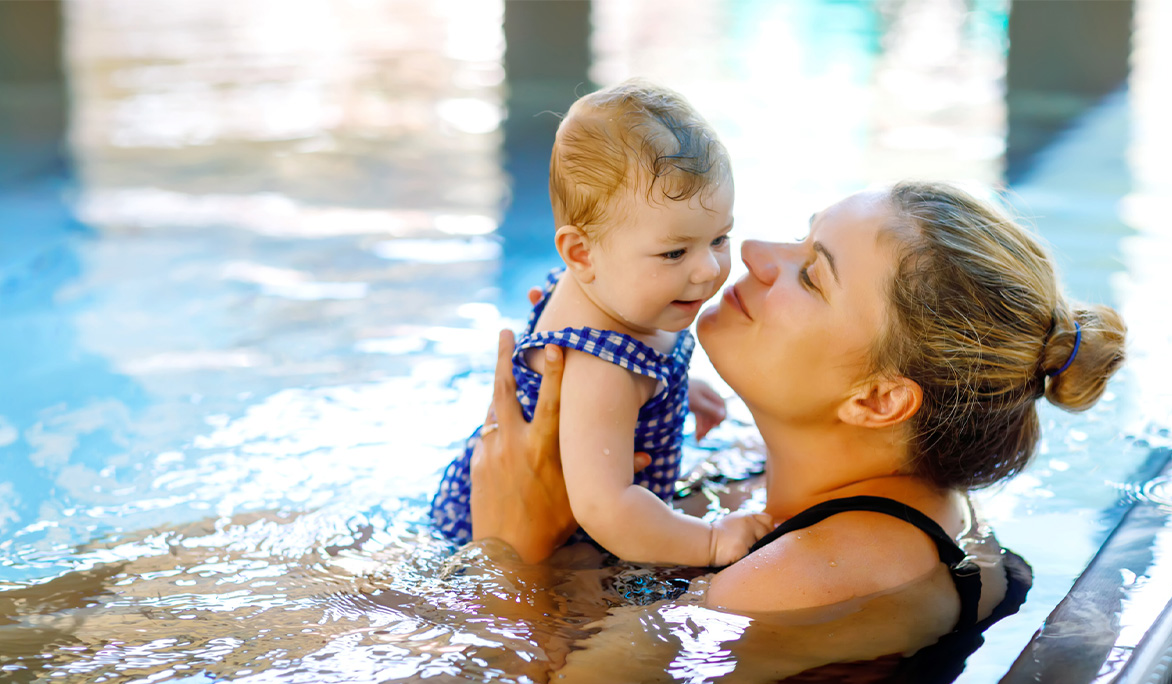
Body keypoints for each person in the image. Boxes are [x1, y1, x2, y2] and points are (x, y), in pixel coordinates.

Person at [468, 181, 1127, 630]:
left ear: (878, 399)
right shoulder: (836, 496)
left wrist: (508, 551)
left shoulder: (807, 577)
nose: (753, 255)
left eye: (812, 274)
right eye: (801, 238)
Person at [432, 79, 771, 567]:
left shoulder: (613, 287)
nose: (708, 269)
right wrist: (712, 542)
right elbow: (605, 508)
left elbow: (635, 377)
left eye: (719, 239)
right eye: (675, 252)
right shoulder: (601, 368)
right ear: (581, 252)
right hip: (531, 547)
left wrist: (674, 387)